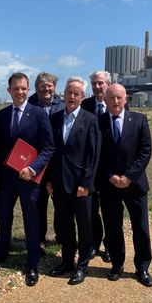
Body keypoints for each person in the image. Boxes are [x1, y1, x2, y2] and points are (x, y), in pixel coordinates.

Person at [0, 72, 54, 287]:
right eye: (16, 88)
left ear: (28, 89)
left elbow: (49, 147)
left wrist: (32, 169)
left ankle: (32, 262)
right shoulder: (2, 115)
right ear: (9, 90)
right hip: (6, 178)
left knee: (31, 219)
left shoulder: (39, 114)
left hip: (29, 178)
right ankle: (1, 252)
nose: (20, 92)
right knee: (3, 216)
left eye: (23, 88)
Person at [97, 83, 152, 287]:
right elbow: (97, 156)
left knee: (140, 227)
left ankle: (142, 267)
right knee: (113, 227)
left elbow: (145, 151)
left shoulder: (139, 120)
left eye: (119, 97)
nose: (115, 102)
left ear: (126, 98)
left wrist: (128, 177)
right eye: (111, 98)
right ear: (105, 100)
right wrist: (112, 177)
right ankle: (117, 265)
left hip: (135, 185)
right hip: (109, 186)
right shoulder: (99, 122)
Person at [46, 77, 100, 285]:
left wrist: (86, 183)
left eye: (76, 93)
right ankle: (67, 261)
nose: (72, 96)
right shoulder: (55, 118)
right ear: (64, 93)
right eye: (69, 92)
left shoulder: (90, 120)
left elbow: (93, 155)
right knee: (65, 225)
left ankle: (82, 265)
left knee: (85, 227)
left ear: (82, 97)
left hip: (81, 186)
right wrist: (49, 179)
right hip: (59, 184)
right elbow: (52, 152)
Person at [27, 72, 64, 251]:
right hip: (36, 162)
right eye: (43, 85)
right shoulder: (30, 104)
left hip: (57, 162)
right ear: (36, 88)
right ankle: (39, 237)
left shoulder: (62, 105)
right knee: (38, 202)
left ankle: (61, 235)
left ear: (54, 87)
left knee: (60, 201)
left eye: (50, 85)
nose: (46, 88)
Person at [81, 70, 112, 263]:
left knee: (109, 209)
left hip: (108, 167)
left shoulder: (115, 102)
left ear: (108, 83)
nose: (97, 87)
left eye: (100, 83)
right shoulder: (85, 105)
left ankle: (110, 245)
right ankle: (94, 242)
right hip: (90, 168)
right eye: (93, 84)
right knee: (91, 209)